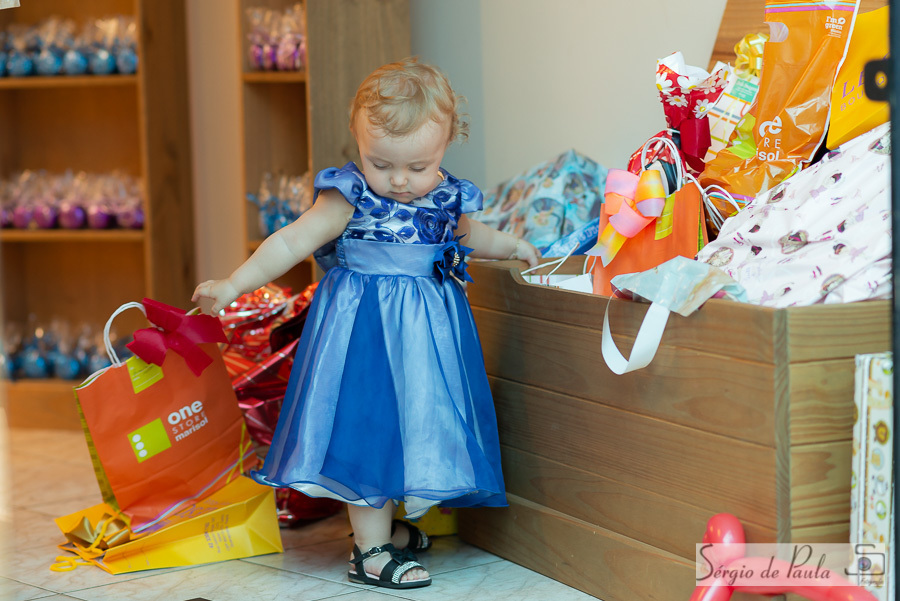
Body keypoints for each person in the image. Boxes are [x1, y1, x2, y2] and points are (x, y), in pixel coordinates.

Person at [193, 57, 541, 590]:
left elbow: (473, 237)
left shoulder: (446, 195)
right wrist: (232, 285)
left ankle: (386, 532)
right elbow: (290, 241)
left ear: (446, 146)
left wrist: (514, 246)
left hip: (428, 336)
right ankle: (370, 551)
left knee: (419, 421)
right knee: (370, 425)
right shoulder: (349, 195)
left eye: (417, 167)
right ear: (357, 142)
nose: (399, 181)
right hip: (363, 333)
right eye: (381, 164)